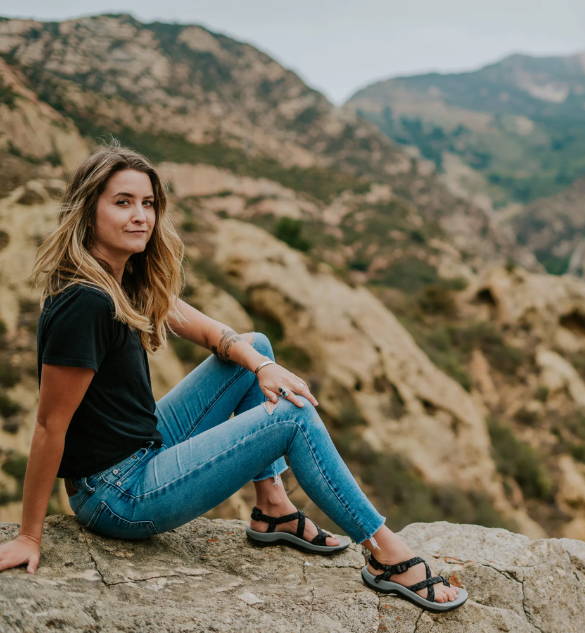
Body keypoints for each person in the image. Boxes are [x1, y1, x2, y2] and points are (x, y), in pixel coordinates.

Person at [0, 143, 467, 613]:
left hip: (140, 448)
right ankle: (387, 553)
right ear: (88, 211)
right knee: (290, 417)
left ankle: (273, 509)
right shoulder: (87, 302)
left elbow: (209, 331)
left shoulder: (122, 280)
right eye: (122, 203)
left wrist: (262, 365)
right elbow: (48, 426)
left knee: (255, 346)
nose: (140, 216)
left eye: (148, 204)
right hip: (116, 493)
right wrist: (28, 536)